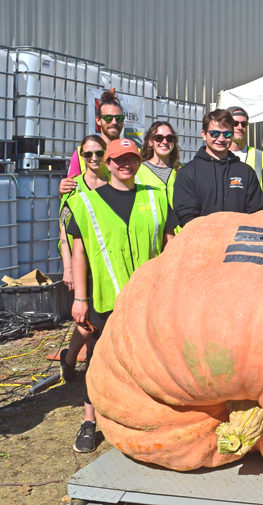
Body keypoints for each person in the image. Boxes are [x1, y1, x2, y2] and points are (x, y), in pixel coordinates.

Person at [64, 138, 177, 452]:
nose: (125, 165)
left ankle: (143, 418)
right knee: (99, 363)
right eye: (118, 159)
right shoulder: (86, 203)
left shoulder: (156, 198)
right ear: (107, 163)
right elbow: (79, 254)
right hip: (106, 300)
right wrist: (80, 299)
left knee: (149, 362)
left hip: (149, 301)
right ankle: (89, 422)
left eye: (131, 159)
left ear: (139, 162)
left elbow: (171, 245)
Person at [57, 135, 108, 383]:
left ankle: (90, 366)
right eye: (88, 155)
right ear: (82, 158)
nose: (95, 159)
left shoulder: (114, 181)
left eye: (99, 153)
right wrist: (67, 268)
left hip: (105, 258)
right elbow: (64, 232)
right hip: (81, 261)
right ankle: (70, 359)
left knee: (98, 320)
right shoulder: (73, 187)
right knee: (86, 322)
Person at [172, 109, 263, 227]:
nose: (221, 139)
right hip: (201, 241)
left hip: (238, 242)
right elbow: (186, 215)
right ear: (204, 134)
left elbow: (256, 213)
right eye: (215, 134)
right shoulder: (188, 173)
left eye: (227, 134)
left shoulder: (246, 172)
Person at [60, 89, 123, 194]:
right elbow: (70, 194)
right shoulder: (81, 153)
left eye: (119, 118)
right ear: (98, 120)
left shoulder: (134, 153)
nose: (114, 122)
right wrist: (63, 190)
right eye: (108, 118)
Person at [227, 106, 263, 205]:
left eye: (244, 124)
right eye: (235, 123)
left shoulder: (260, 156)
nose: (240, 127)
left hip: (256, 217)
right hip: (228, 218)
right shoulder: (218, 156)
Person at [137, 121, 181, 203]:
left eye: (169, 138)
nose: (164, 142)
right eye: (158, 138)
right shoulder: (138, 171)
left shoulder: (181, 170)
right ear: (150, 142)